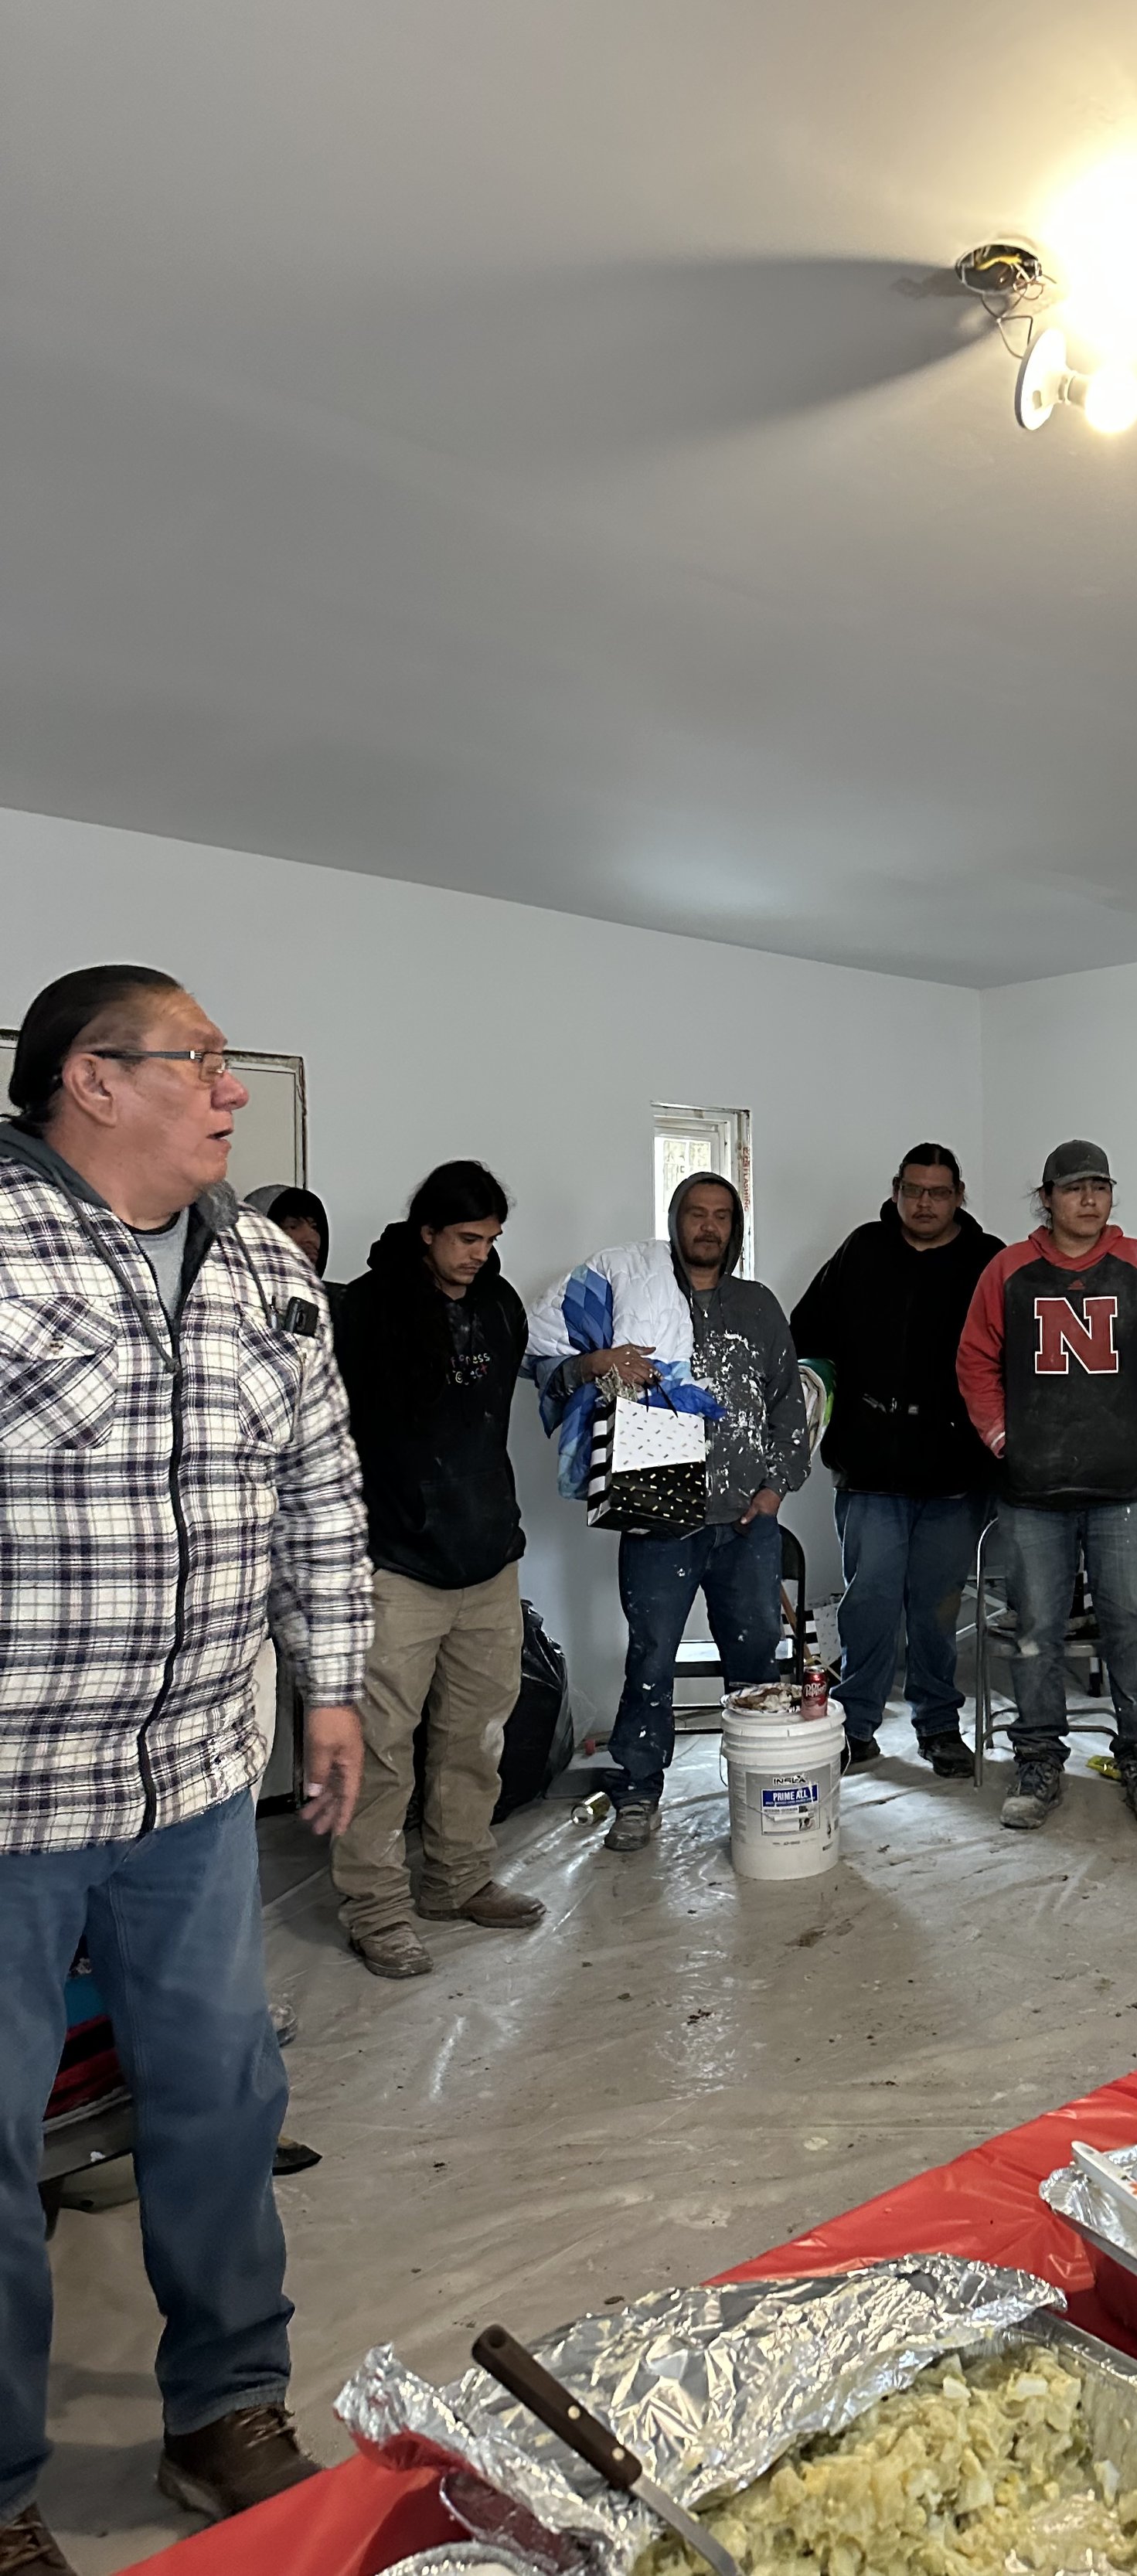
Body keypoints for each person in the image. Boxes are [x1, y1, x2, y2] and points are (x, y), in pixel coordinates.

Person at [0, 966, 370, 2557]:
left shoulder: (261, 1266)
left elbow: (320, 1482)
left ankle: (225, 2410)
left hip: (194, 1784)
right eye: (199, 1059)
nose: (230, 1088)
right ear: (92, 1077)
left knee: (222, 2094)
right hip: (14, 1792)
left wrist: (331, 1684)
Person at [529, 1173, 809, 1853]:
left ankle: (757, 1790)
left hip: (747, 1521)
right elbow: (546, 1363)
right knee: (651, 1657)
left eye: (721, 1216)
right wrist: (601, 1360)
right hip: (659, 1516)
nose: (708, 1226)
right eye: (695, 1214)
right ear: (675, 1221)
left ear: (734, 1228)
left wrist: (774, 1491)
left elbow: (788, 1408)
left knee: (755, 1661)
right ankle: (637, 1791)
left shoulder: (758, 1305)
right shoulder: (633, 1296)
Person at [329, 1162, 543, 1977]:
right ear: (427, 1232)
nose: (478, 1254)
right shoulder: (369, 1309)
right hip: (397, 1563)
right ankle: (375, 1909)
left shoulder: (498, 1304)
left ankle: (458, 1880)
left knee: (475, 1736)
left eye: (490, 1240)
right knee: (380, 1748)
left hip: (486, 1557)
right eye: (465, 1238)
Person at [957, 1142, 1137, 1835]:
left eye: (1100, 1186)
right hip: (1033, 1492)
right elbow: (975, 1360)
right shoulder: (1008, 1270)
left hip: (1124, 1489)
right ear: (1047, 1198)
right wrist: (1002, 1439)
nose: (1089, 1200)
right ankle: (1037, 1764)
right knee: (1037, 1629)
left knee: (1131, 1628)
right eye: (1073, 1188)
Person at [789, 1145, 1003, 1776]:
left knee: (938, 1606)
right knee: (871, 1601)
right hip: (871, 1466)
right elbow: (806, 1334)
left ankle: (938, 1725)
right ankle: (856, 1725)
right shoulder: (862, 1250)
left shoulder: (988, 1261)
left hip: (956, 1469)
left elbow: (1014, 1355)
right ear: (896, 1190)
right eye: (914, 1190)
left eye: (939, 1192)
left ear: (959, 1195)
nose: (925, 1203)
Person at [243, 1184, 342, 1317]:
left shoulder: (341, 1307)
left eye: (315, 1227)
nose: (312, 1239)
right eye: (293, 1226)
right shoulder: (231, 1298)